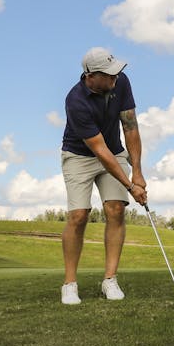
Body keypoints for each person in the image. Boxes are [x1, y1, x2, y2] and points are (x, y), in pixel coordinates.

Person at [60, 47, 148, 305]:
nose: (115, 79)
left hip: (115, 151)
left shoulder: (120, 81)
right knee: (78, 215)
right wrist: (131, 185)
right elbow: (99, 151)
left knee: (116, 209)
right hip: (79, 156)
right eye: (108, 75)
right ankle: (69, 284)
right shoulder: (75, 101)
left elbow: (130, 127)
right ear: (90, 76)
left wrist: (139, 174)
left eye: (116, 73)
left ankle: (110, 279)